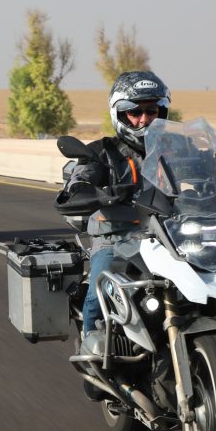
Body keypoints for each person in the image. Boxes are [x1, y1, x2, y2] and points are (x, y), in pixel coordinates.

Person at [56, 71, 170, 357]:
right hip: (117, 235)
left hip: (169, 235)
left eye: (151, 111)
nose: (144, 119)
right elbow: (81, 176)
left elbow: (210, 170)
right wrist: (82, 189)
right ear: (120, 114)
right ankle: (92, 344)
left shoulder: (178, 149)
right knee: (101, 284)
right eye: (134, 112)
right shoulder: (101, 152)